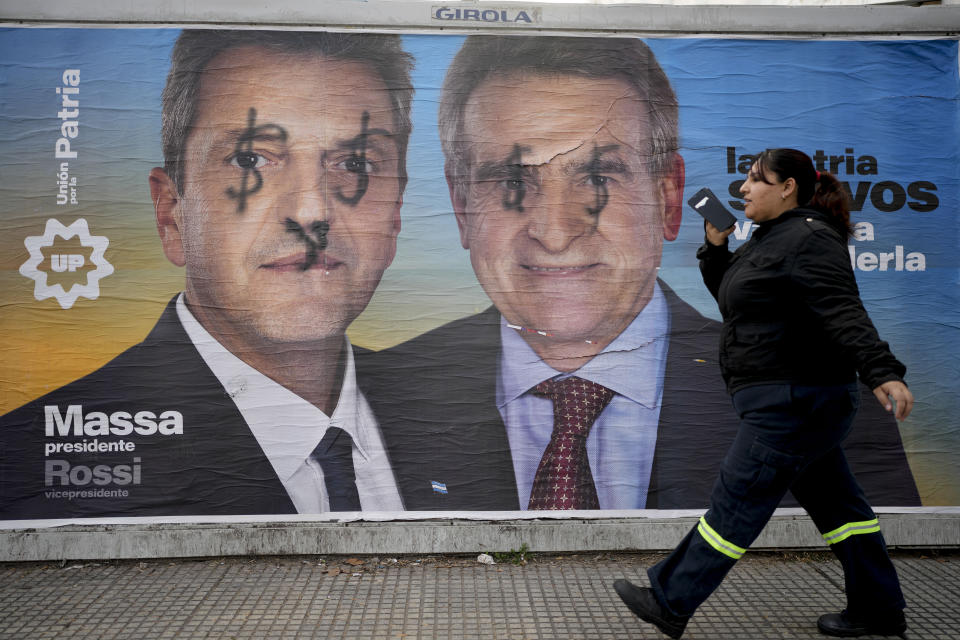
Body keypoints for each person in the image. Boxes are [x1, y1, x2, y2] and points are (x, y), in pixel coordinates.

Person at [367, 36, 918, 512]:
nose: (555, 232)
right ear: (462, 206)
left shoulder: (813, 397)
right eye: (511, 181)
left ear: (669, 196)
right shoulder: (368, 404)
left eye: (600, 175)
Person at [0, 30, 413, 519]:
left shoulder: (464, 412)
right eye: (249, 159)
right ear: (172, 212)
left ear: (395, 214)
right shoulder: (20, 469)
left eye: (356, 163)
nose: (311, 209)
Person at [613, 148, 912, 638]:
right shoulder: (773, 240)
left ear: (788, 187)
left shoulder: (810, 239)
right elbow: (738, 302)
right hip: (800, 402)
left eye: (755, 180)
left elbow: (843, 311)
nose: (744, 190)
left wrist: (882, 371)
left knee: (737, 501)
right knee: (843, 513)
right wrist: (714, 249)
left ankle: (669, 600)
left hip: (794, 403)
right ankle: (878, 607)